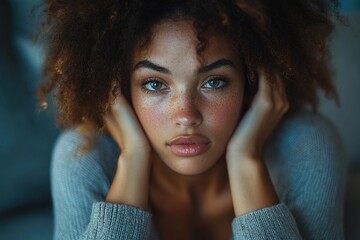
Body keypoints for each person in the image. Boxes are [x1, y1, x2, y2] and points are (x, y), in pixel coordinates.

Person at [38, 0, 346, 239]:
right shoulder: (85, 156)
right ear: (118, 90)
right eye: (155, 84)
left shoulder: (307, 145)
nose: (186, 115)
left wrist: (246, 159)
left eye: (214, 82)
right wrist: (132, 158)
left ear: (252, 82)